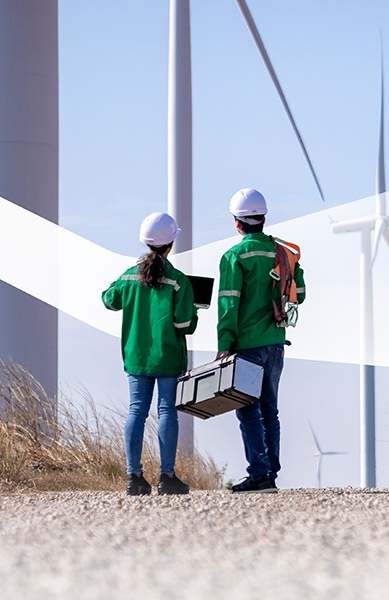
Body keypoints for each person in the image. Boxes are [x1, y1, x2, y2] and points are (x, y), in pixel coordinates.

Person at [102, 212, 199, 496]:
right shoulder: (179, 280)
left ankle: (134, 477)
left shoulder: (128, 276)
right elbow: (185, 324)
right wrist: (193, 312)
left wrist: (127, 279)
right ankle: (167, 477)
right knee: (167, 411)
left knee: (137, 411)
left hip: (136, 357)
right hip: (167, 356)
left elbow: (109, 300)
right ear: (171, 244)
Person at [216, 188, 305, 494]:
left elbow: (229, 304)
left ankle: (259, 473)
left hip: (247, 345)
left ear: (238, 223)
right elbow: (300, 295)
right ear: (263, 218)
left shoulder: (234, 256)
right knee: (270, 410)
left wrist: (224, 343)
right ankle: (271, 473)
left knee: (248, 409)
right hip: (276, 343)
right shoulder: (285, 253)